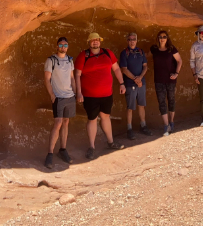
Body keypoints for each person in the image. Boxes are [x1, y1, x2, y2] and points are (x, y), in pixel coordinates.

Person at [74, 32, 126, 160]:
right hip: (90, 95)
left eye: (97, 40)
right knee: (92, 119)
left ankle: (110, 142)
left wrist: (122, 83)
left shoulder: (108, 53)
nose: (95, 42)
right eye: (92, 40)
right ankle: (91, 147)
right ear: (89, 42)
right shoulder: (83, 56)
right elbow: (77, 75)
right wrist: (79, 92)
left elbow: (117, 69)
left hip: (106, 94)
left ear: (100, 41)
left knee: (105, 116)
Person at [44, 37, 76, 169]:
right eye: (61, 45)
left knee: (66, 122)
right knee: (58, 122)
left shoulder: (69, 60)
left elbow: (72, 77)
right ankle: (50, 154)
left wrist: (76, 92)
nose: (63, 47)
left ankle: (62, 150)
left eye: (65, 45)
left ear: (68, 47)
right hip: (58, 97)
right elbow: (47, 79)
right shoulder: (51, 60)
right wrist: (52, 95)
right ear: (57, 46)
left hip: (69, 96)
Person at [119, 32, 152, 140]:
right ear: (127, 41)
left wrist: (140, 78)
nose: (132, 41)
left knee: (141, 105)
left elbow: (145, 66)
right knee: (130, 107)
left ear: (136, 40)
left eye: (134, 39)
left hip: (141, 83)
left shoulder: (140, 52)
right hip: (130, 84)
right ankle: (129, 129)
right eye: (130, 39)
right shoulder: (124, 53)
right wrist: (135, 79)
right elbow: (124, 69)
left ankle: (143, 125)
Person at [150, 30, 182, 136]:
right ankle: (166, 125)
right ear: (158, 39)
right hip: (159, 80)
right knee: (162, 102)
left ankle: (171, 121)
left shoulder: (171, 49)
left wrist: (176, 73)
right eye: (160, 37)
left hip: (170, 79)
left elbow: (179, 61)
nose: (162, 38)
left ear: (167, 38)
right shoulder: (154, 49)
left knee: (171, 100)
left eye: (164, 36)